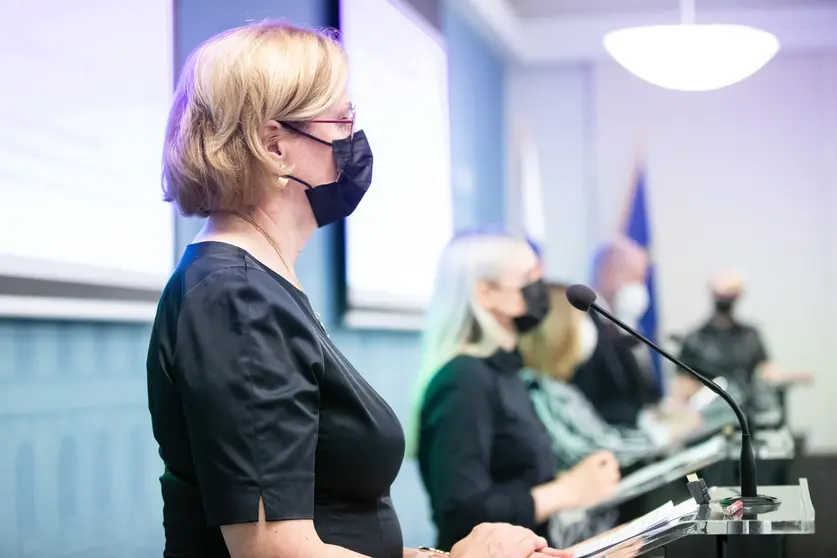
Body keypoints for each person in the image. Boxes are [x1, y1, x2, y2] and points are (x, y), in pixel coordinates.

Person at [146, 21, 569, 558]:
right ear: (275, 146)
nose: (354, 140)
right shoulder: (236, 300)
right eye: (342, 120)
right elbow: (274, 551)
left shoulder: (259, 286)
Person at [410, 232, 621, 552]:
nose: (542, 289)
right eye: (528, 279)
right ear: (487, 294)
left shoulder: (506, 372)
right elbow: (461, 514)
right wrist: (566, 490)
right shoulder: (463, 380)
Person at [519, 282, 702, 473]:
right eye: (581, 321)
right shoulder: (538, 389)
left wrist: (655, 421)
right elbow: (596, 453)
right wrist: (665, 433)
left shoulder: (561, 386)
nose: (589, 331)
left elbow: (601, 436)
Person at [673, 271, 812, 405]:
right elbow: (683, 384)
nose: (724, 299)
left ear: (738, 296)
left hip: (746, 411)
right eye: (721, 294)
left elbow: (766, 369)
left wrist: (789, 376)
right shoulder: (695, 339)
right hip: (710, 416)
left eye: (729, 294)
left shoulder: (749, 335)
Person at [572, 238, 660, 427]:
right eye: (636, 278)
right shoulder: (580, 324)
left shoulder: (624, 324)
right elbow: (589, 396)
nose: (641, 288)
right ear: (609, 273)